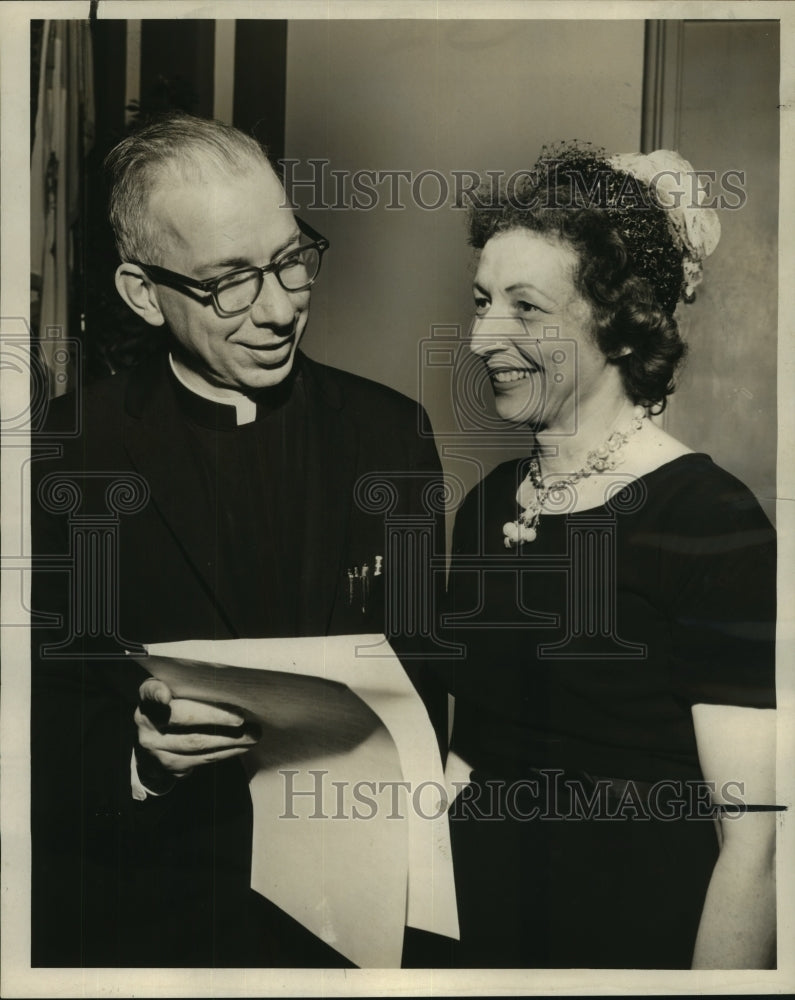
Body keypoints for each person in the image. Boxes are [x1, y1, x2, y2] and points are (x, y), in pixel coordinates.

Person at [30, 112, 444, 968]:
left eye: (292, 259)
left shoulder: (389, 435)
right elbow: (31, 719)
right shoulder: (68, 451)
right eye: (230, 282)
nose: (281, 306)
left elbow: (424, 677)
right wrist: (138, 759)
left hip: (348, 921)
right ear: (144, 294)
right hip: (144, 922)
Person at [436, 144, 776, 969]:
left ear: (616, 322)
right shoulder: (489, 506)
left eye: (525, 309)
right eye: (481, 302)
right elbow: (467, 755)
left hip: (630, 951)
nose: (484, 337)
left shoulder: (710, 518)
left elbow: (755, 847)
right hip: (476, 940)